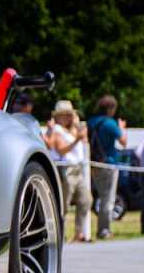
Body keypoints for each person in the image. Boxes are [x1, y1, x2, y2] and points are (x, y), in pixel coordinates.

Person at [46, 100, 93, 243]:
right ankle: (61, 234)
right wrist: (76, 140)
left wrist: (78, 127)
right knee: (64, 204)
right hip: (66, 169)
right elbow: (61, 149)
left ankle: (80, 233)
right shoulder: (57, 130)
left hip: (78, 169)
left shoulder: (71, 130)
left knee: (85, 200)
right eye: (67, 115)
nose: (70, 117)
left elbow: (85, 142)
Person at [87, 95, 127, 239]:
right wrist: (121, 128)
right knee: (108, 198)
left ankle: (101, 229)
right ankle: (104, 231)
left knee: (101, 196)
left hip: (95, 164)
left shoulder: (91, 121)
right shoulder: (110, 123)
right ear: (111, 108)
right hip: (109, 163)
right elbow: (123, 141)